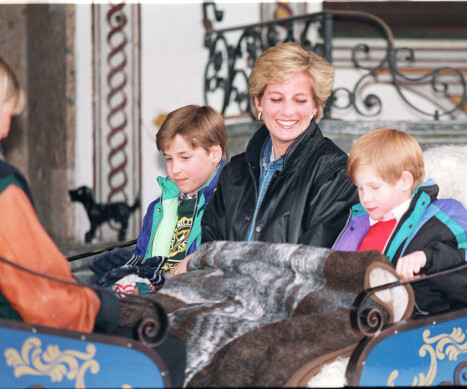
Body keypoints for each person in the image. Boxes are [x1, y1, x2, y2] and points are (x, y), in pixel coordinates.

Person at [0, 56, 185, 386]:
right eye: (7, 111)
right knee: (165, 351)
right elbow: (46, 302)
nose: (7, 126)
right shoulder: (3, 187)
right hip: (16, 350)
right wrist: (104, 305)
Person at [192, 42, 357, 266]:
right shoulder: (235, 171)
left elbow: (311, 264)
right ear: (258, 103)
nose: (288, 111)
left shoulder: (335, 173)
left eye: (300, 100)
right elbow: (209, 248)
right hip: (223, 292)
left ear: (315, 106)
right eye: (276, 99)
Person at [333, 128, 467, 316]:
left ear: (404, 181)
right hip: (348, 317)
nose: (365, 198)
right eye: (360, 188)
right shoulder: (359, 220)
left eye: (374, 187)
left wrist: (427, 259)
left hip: (404, 329)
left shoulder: (443, 214)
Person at [89, 104, 227, 294]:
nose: (174, 169)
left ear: (214, 154)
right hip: (152, 294)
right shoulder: (159, 207)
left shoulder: (228, 202)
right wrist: (127, 274)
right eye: (169, 159)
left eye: (184, 157)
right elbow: (143, 255)